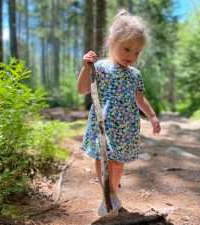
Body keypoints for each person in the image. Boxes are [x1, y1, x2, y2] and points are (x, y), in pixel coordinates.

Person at [77, 9, 161, 217]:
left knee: (118, 163)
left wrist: (152, 116)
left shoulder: (135, 75)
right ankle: (109, 194)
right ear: (112, 42)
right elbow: (82, 89)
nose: (131, 56)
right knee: (102, 158)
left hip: (126, 127)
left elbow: (139, 99)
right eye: (127, 49)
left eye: (137, 52)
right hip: (103, 124)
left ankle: (112, 191)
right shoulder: (101, 67)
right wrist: (86, 68)